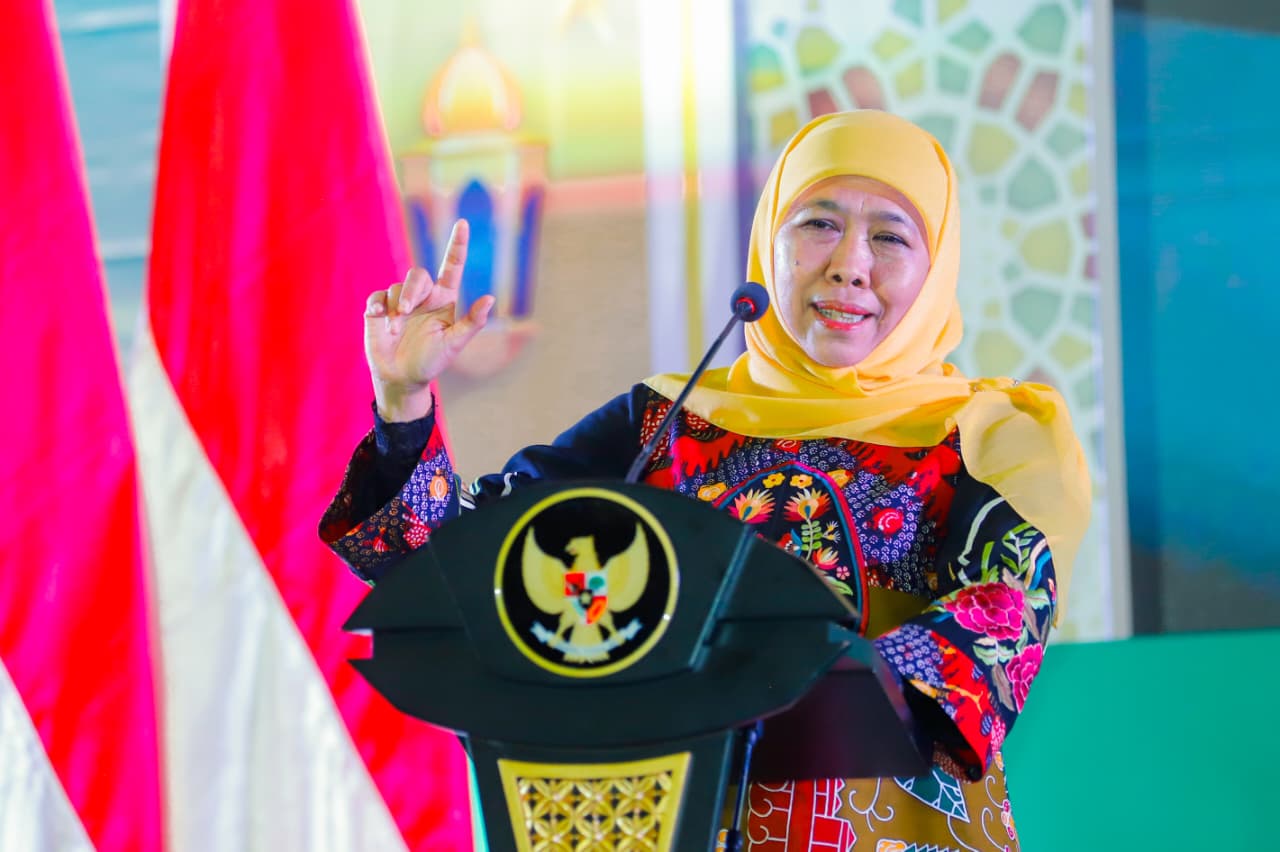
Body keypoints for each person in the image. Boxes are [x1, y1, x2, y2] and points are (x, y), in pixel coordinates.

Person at [320, 109, 1090, 851]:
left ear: (938, 266)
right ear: (768, 241)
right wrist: (403, 401)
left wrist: (822, 681)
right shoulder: (666, 419)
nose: (848, 263)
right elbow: (474, 559)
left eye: (890, 236)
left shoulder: (985, 432)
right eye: (817, 224)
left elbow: (1009, 603)